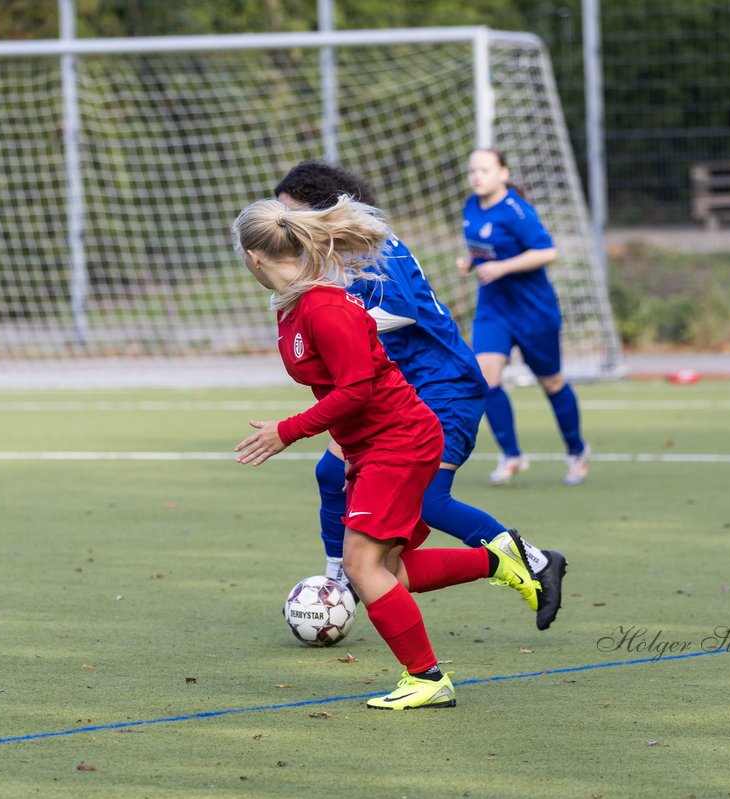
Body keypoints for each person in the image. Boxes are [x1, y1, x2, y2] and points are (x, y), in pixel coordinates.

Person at [232, 196, 554, 710]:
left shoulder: (324, 307)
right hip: (379, 444)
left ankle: (426, 677)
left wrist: (287, 432)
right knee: (391, 571)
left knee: (362, 567)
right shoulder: (297, 304)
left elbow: (356, 389)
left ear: (252, 256)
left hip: (399, 441)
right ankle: (497, 562)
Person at [273, 160, 566, 631]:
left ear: (320, 208)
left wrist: (339, 320)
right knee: (331, 471)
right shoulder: (329, 255)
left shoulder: (375, 245)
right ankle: (337, 581)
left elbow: (403, 311)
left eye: (290, 214)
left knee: (430, 501)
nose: (284, 227)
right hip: (395, 388)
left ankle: (533, 560)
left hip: (443, 384)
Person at [456, 148, 589, 486]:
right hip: (493, 310)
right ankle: (512, 454)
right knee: (485, 379)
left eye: (485, 169)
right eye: (473, 170)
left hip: (533, 311)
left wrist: (502, 267)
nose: (477, 176)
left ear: (503, 172)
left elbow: (548, 251)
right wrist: (470, 261)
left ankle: (576, 451)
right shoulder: (471, 206)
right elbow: (484, 247)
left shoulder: (516, 210)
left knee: (552, 382)